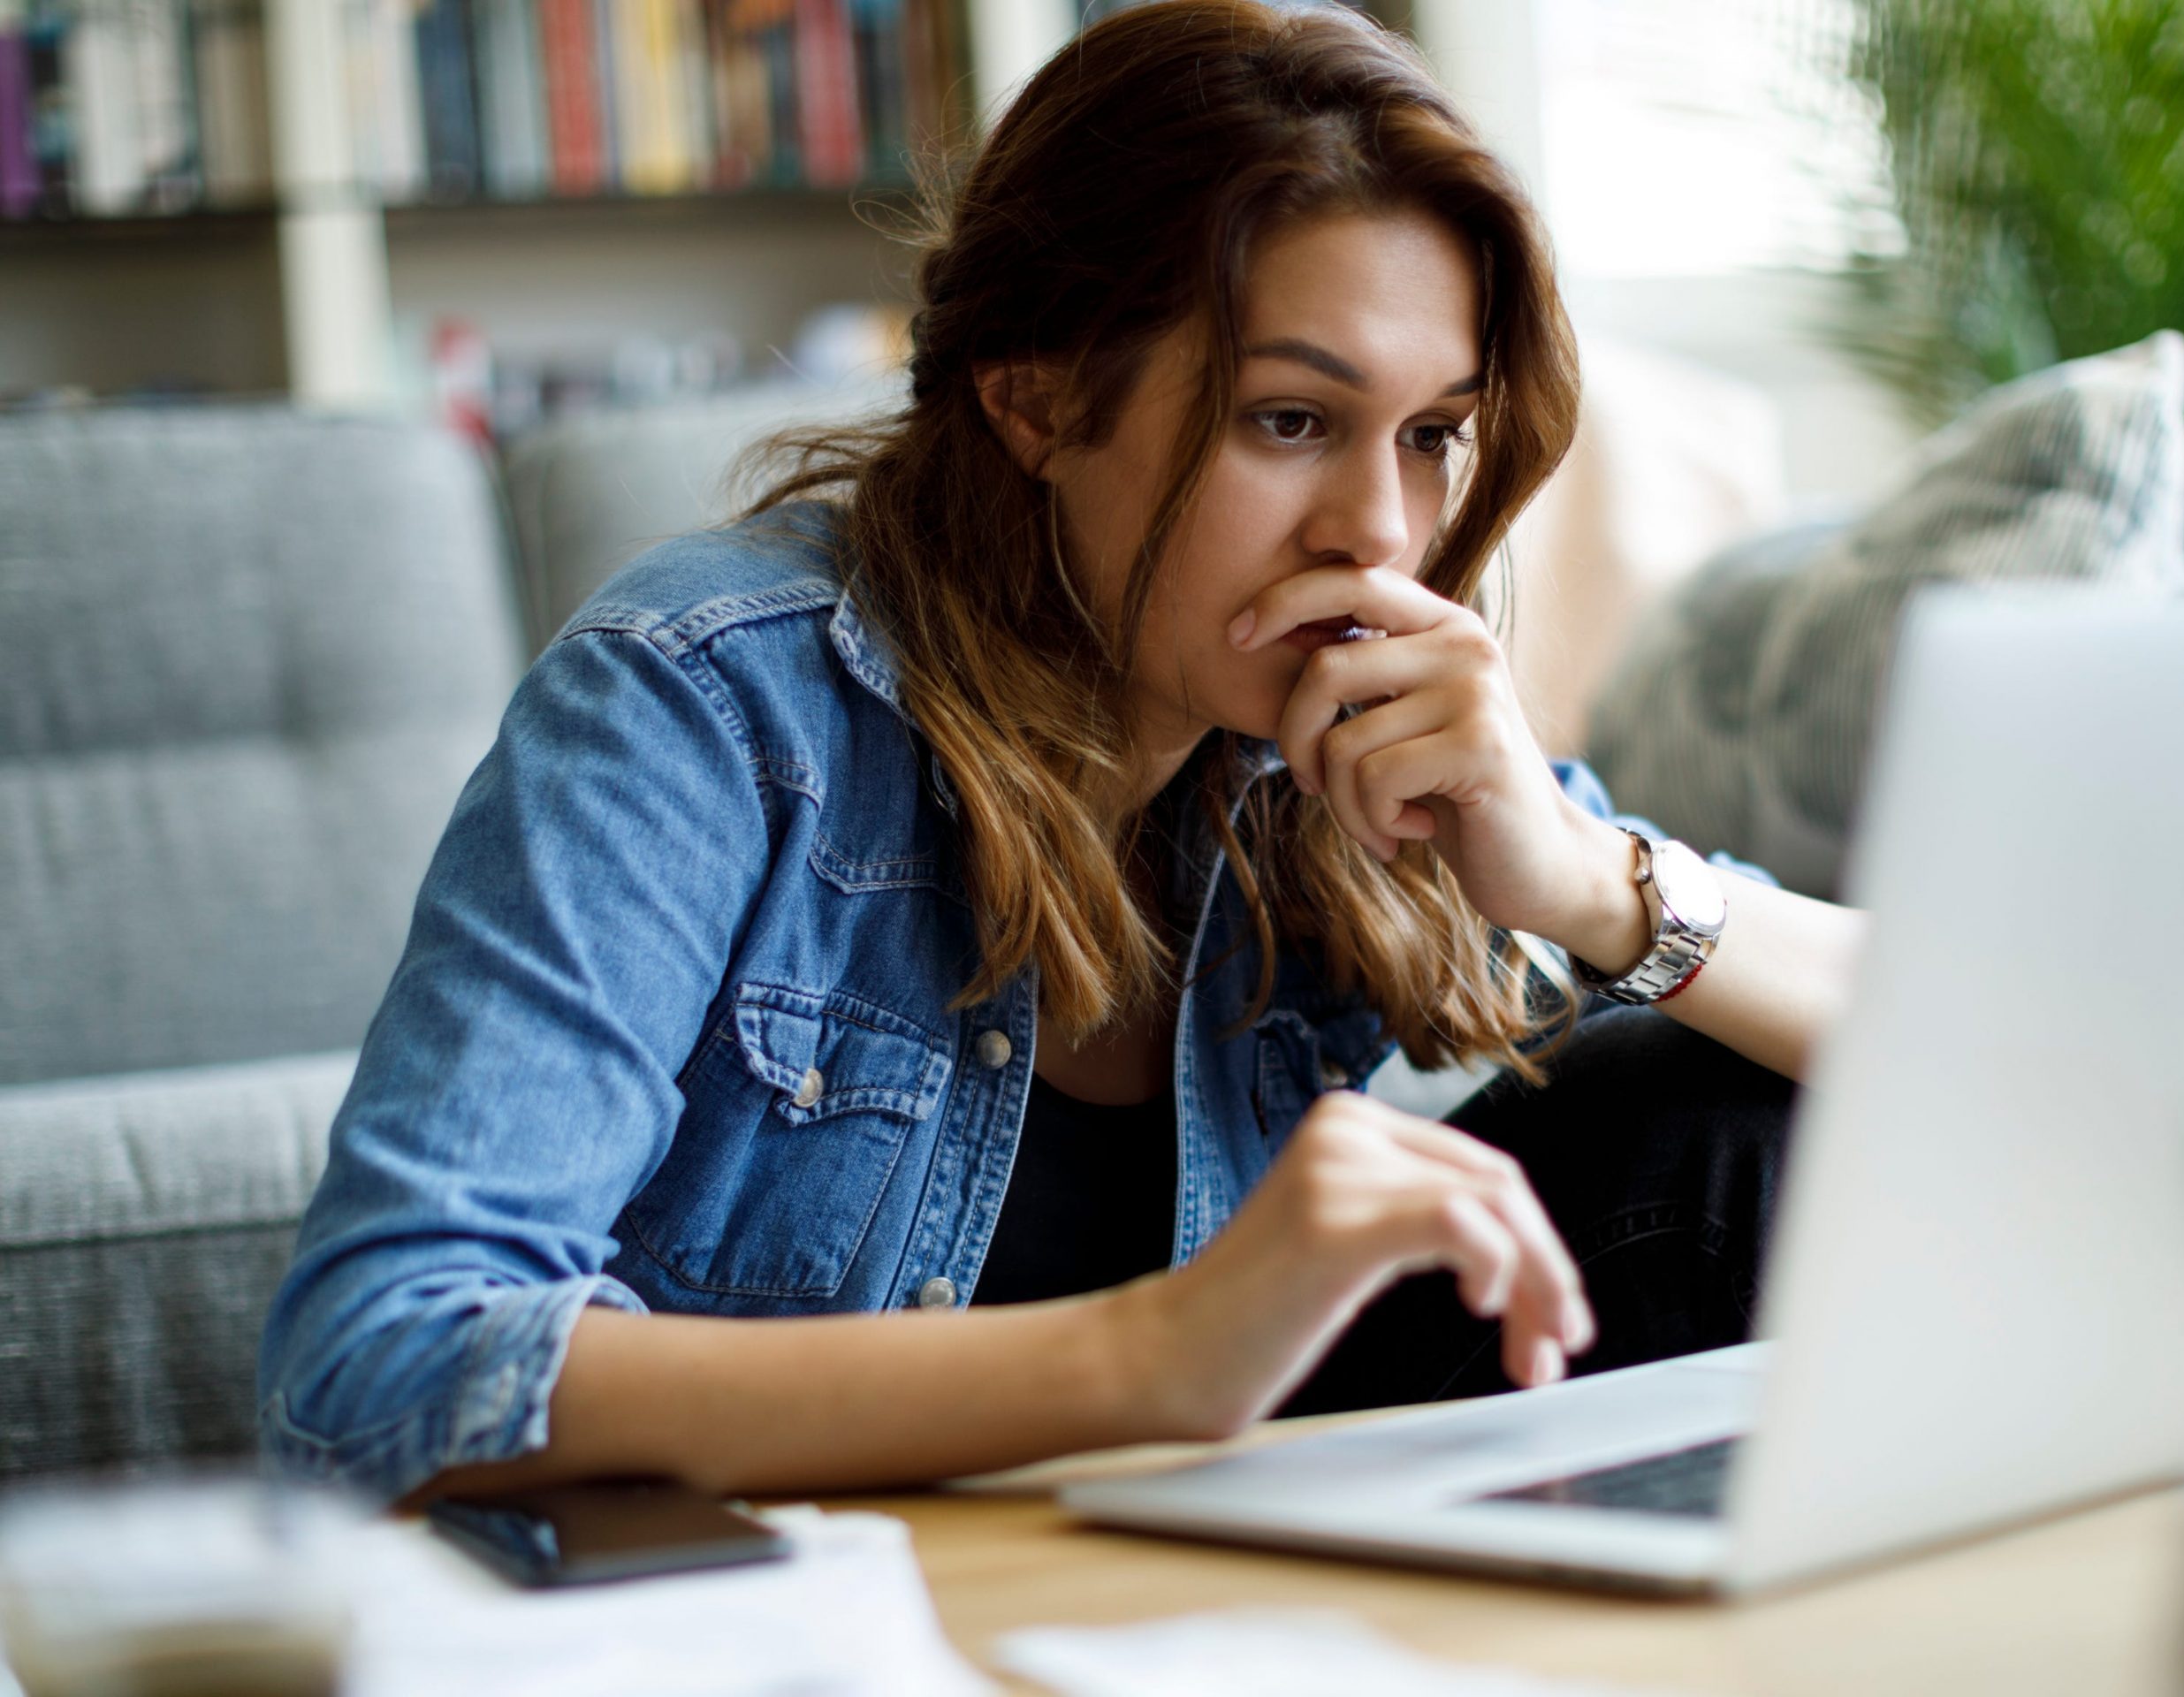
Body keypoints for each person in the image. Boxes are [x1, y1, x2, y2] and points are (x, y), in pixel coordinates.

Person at [258, 0, 1869, 1507]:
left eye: (1432, 436)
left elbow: (1948, 1049)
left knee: (1716, 1109)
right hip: (806, 1615)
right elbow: (378, 1362)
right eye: (1288, 421)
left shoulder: (1322, 744)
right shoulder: (707, 702)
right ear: (1035, 396)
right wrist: (1155, 1359)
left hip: (1175, 1581)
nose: (1381, 529)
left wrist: (1593, 883)